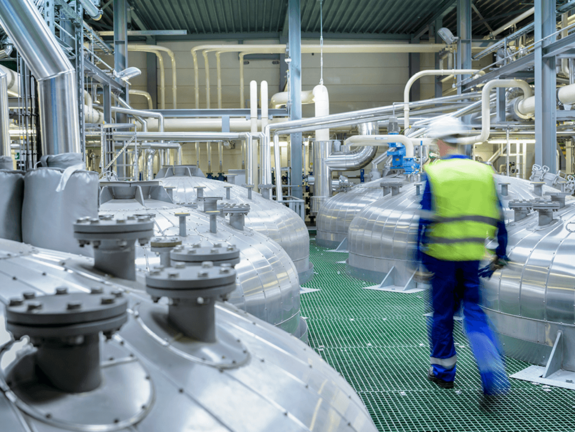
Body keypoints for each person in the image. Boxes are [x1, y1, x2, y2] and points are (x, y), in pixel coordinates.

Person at [416, 119, 510, 396]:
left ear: (440, 142)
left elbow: (424, 221)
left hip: (440, 258)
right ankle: (493, 373)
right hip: (472, 257)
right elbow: (499, 218)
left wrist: (417, 261)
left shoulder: (435, 173)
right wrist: (500, 254)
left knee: (442, 315)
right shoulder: (483, 172)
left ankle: (444, 372)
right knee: (474, 313)